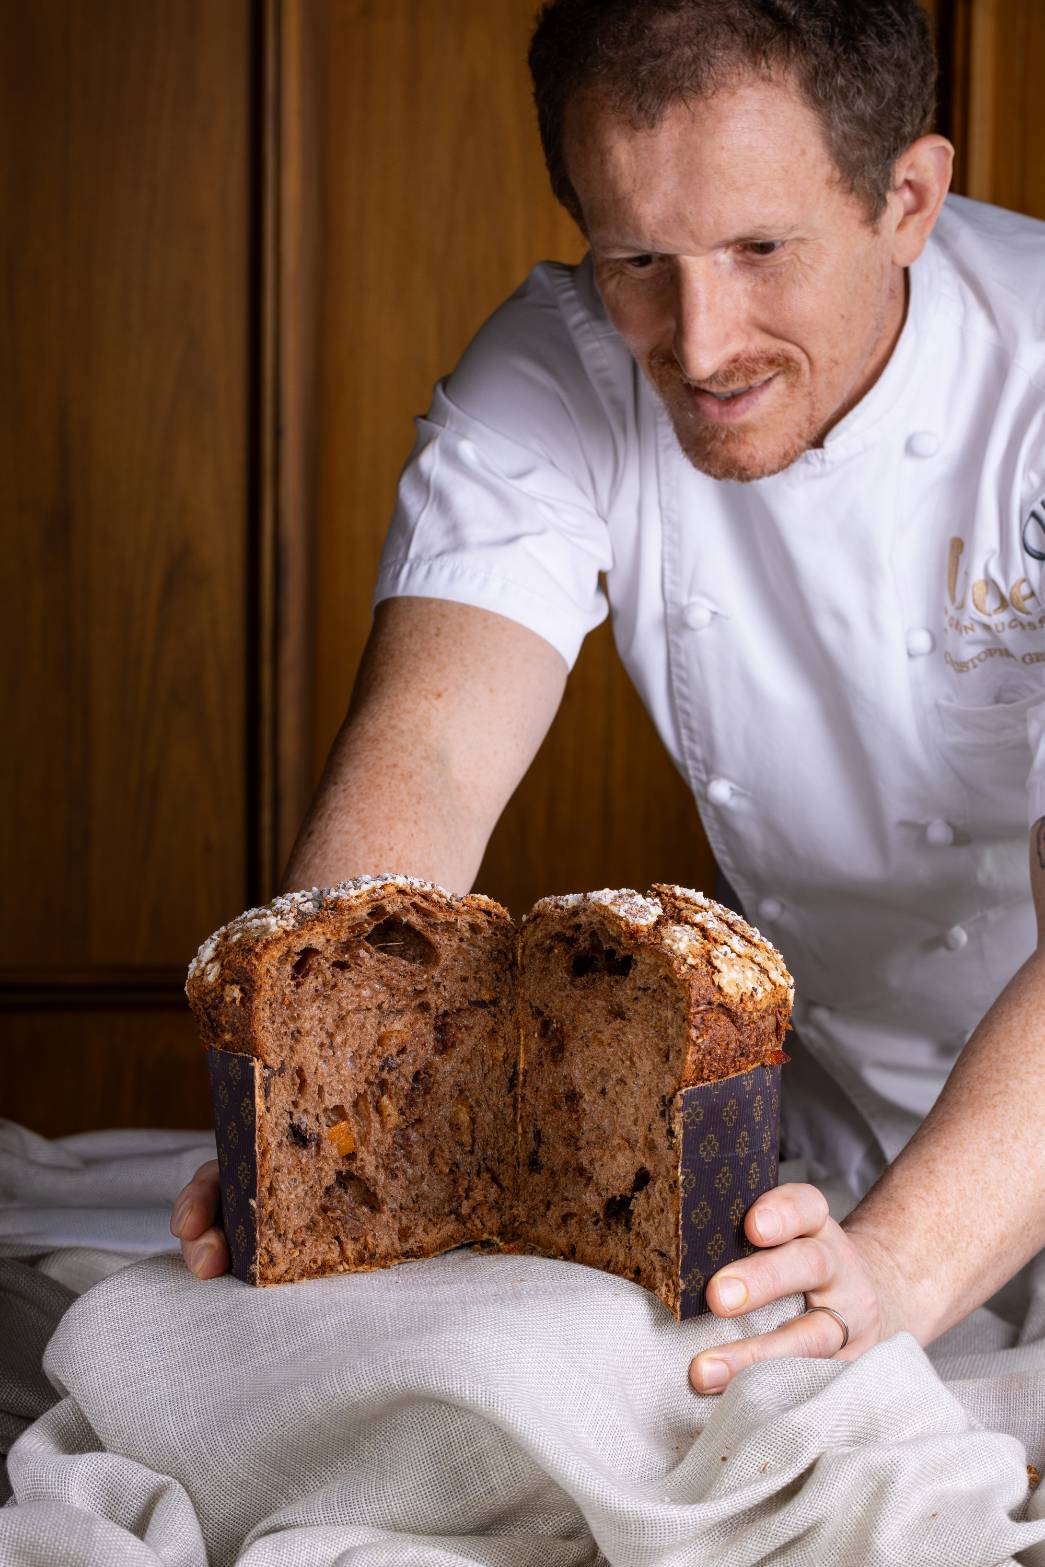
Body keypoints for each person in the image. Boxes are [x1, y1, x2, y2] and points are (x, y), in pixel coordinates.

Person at [170, 0, 1045, 1398]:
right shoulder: (557, 368)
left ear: (907, 199)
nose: (698, 344)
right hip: (825, 1145)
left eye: (760, 250)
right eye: (635, 258)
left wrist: (904, 1267)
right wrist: (320, 1109)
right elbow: (431, 755)